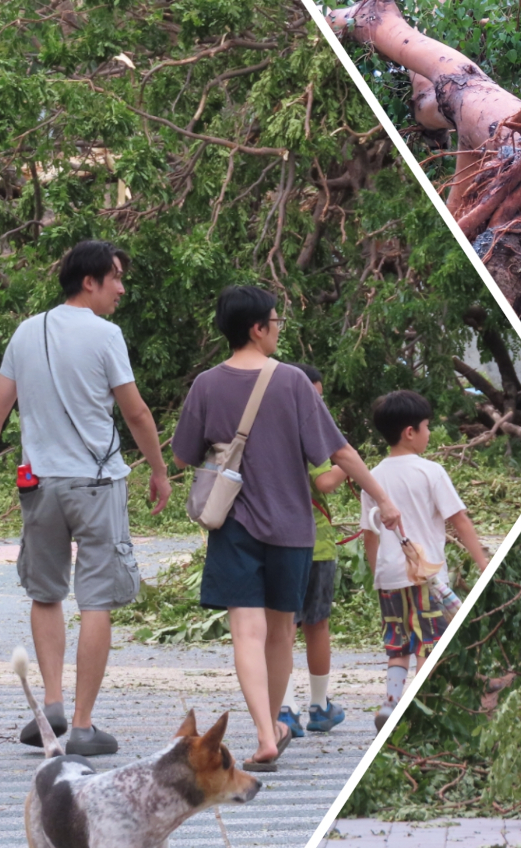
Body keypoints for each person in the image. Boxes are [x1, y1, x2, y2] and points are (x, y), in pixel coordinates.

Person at [171, 285, 402, 771]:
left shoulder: (205, 385)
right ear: (257, 328)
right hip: (293, 530)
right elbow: (339, 452)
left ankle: (265, 733)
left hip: (234, 526)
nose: (278, 329)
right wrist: (383, 500)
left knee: (246, 633)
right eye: (275, 322)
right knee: (280, 634)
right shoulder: (293, 382)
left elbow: (183, 453)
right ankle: (271, 726)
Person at [0, 240, 171, 756]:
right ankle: (81, 724)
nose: (121, 288)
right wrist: (159, 472)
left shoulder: (28, 331)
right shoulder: (105, 334)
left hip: (41, 486)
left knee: (46, 591)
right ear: (90, 281)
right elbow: (137, 413)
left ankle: (51, 705)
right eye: (116, 277)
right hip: (97, 485)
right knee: (97, 599)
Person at [360, 390, 489, 730]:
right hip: (426, 575)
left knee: (398, 643)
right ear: (410, 432)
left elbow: (369, 535)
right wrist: (483, 563)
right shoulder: (431, 472)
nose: (430, 433)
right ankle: (420, 706)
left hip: (389, 577)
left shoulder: (370, 478)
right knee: (432, 641)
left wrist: (378, 574)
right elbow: (459, 520)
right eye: (428, 426)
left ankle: (391, 702)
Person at [277, 363, 348, 738]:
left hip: (276, 541)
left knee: (282, 626)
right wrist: (348, 466)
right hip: (316, 543)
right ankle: (319, 707)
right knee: (316, 625)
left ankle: (284, 710)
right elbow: (325, 481)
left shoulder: (269, 428)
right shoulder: (312, 431)